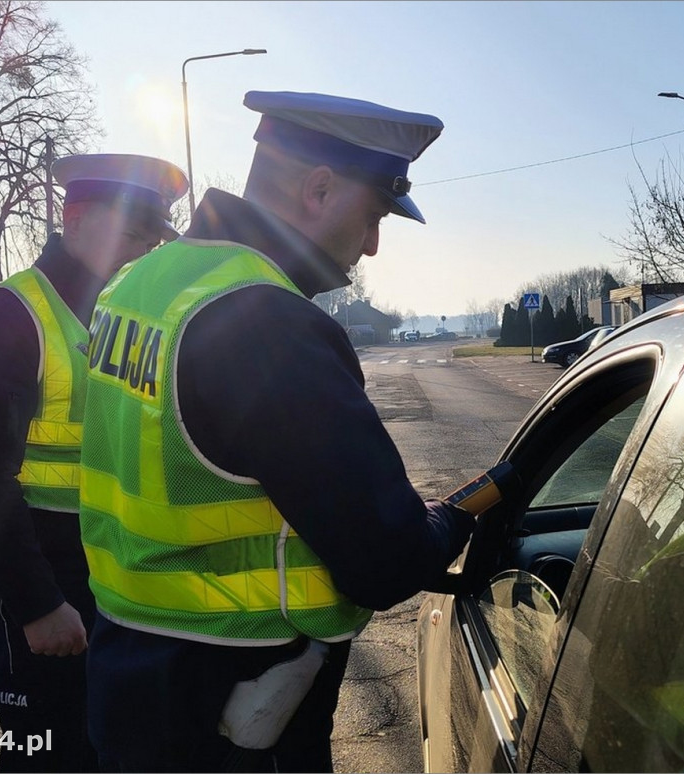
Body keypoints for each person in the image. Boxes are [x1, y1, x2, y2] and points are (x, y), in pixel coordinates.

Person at [78, 91, 476, 773]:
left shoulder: (138, 282)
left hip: (130, 677)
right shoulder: (266, 322)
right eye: (376, 214)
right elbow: (384, 559)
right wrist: (452, 520)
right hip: (232, 715)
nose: (374, 246)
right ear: (319, 189)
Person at [0, 153, 188, 772]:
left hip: (112, 581)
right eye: (131, 232)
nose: (142, 250)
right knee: (44, 752)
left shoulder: (122, 316)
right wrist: (36, 604)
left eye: (152, 238)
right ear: (73, 218)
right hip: (46, 583)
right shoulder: (7, 315)